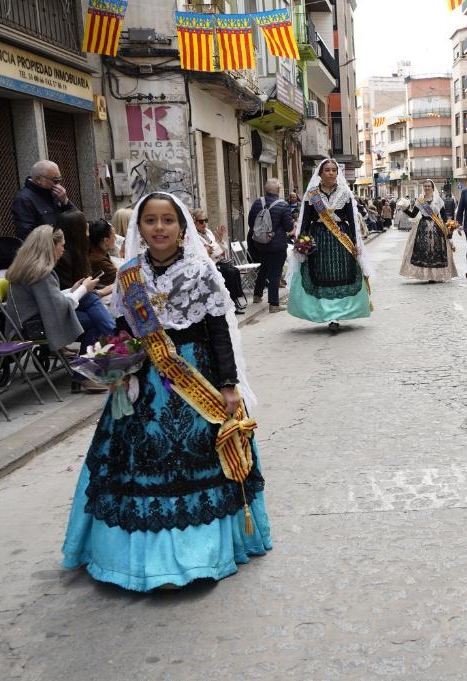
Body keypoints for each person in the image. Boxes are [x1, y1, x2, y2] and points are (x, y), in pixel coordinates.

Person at [61, 191, 271, 591]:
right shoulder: (128, 276)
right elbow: (122, 329)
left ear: (181, 227)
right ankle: (138, 560)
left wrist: (227, 386)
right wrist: (118, 366)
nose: (159, 228)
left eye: (167, 220)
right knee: (141, 458)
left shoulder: (201, 271)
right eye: (151, 221)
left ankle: (200, 554)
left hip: (196, 375)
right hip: (145, 376)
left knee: (200, 456)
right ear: (138, 228)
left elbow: (218, 333)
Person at [4, 225, 106, 394]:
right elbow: (56, 308)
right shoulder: (41, 272)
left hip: (28, 323)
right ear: (51, 246)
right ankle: (84, 376)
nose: (63, 250)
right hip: (34, 328)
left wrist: (73, 290)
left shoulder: (29, 267)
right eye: (62, 245)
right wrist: (84, 289)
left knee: (91, 314)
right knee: (94, 322)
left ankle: (86, 373)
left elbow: (50, 300)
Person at [287, 159, 373, 332]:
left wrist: (356, 244)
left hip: (342, 240)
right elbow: (304, 222)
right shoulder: (312, 195)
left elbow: (352, 221)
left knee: (343, 274)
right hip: (319, 240)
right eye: (327, 170)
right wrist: (302, 242)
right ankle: (325, 312)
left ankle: (340, 313)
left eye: (334, 170)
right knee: (320, 275)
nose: (331, 173)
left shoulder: (345, 194)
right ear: (320, 173)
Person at [54, 210, 117, 345]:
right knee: (97, 312)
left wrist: (88, 289)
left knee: (97, 315)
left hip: (74, 304)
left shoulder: (79, 253)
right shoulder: (60, 260)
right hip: (63, 312)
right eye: (86, 230)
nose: (88, 235)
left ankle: (89, 358)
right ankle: (118, 340)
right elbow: (63, 297)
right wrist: (90, 290)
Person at [398, 179, 458, 283]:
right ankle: (427, 275)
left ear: (432, 187)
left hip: (437, 228)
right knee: (423, 252)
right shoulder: (420, 200)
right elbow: (413, 215)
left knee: (437, 252)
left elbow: (443, 216)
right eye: (425, 186)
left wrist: (448, 227)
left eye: (428, 186)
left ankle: (436, 275)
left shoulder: (438, 200)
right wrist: (404, 209)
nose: (426, 188)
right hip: (423, 227)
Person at [247, 179, 293, 312]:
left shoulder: (257, 202)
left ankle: (257, 295)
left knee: (264, 268)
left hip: (260, 244)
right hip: (277, 245)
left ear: (265, 190)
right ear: (278, 191)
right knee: (275, 273)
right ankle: (273, 304)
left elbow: (251, 222)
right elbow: (288, 227)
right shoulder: (283, 205)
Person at [192, 208, 247, 314]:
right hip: (208, 265)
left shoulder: (207, 232)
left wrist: (220, 240)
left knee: (235, 271)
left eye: (205, 220)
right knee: (229, 273)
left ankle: (235, 300)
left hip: (217, 261)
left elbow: (222, 249)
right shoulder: (193, 237)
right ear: (194, 223)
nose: (204, 224)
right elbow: (209, 252)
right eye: (201, 221)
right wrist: (215, 246)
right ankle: (232, 303)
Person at [11, 160, 77, 240]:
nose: (58, 184)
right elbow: (26, 235)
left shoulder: (55, 193)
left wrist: (65, 202)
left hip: (61, 246)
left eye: (60, 180)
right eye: (55, 180)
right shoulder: (24, 199)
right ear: (38, 179)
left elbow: (77, 219)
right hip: (46, 249)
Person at [88, 219, 119, 290]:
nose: (116, 238)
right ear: (106, 240)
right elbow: (121, 277)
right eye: (114, 236)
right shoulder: (98, 260)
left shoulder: (97, 252)